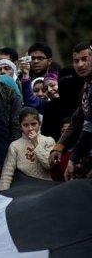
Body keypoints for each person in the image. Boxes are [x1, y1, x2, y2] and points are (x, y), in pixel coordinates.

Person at [50, 41, 92, 180]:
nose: (80, 64)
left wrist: (73, 159)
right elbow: (77, 119)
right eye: (76, 60)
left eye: (85, 59)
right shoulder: (86, 87)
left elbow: (88, 127)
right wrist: (59, 146)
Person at [0, 107, 54, 192]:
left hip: (46, 188)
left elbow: (49, 165)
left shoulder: (48, 141)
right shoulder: (15, 146)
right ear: (20, 126)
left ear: (40, 124)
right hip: (24, 189)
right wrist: (3, 193)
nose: (30, 128)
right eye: (26, 125)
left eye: (33, 124)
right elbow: (7, 173)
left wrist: (35, 143)